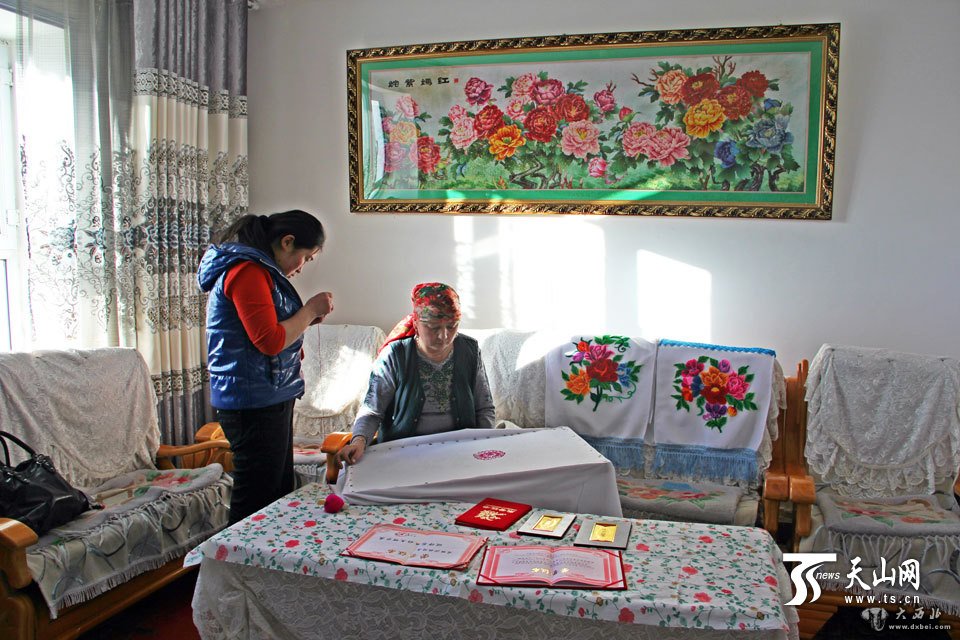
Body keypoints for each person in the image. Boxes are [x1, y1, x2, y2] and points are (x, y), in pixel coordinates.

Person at [197, 210, 333, 524]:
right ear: (287, 242)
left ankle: (266, 555)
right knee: (257, 498)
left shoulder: (259, 271)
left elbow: (266, 335)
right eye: (306, 257)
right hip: (252, 401)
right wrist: (309, 309)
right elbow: (269, 341)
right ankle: (234, 556)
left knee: (276, 493)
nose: (302, 267)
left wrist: (306, 320)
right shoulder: (248, 271)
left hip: (268, 395)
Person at [337, 283, 495, 465]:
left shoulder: (470, 351)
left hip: (460, 451)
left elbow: (484, 408)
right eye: (433, 327)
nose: (443, 336)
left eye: (452, 326)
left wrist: (484, 445)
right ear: (416, 324)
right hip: (404, 454)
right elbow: (373, 411)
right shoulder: (395, 355)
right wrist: (359, 441)